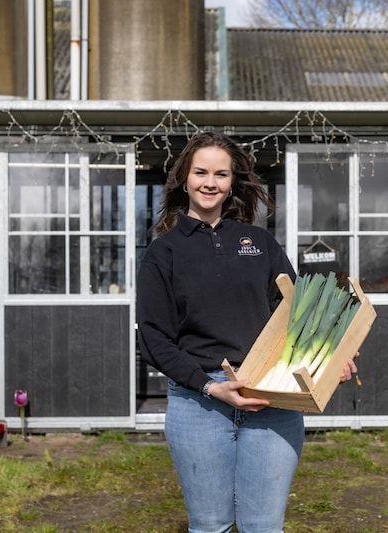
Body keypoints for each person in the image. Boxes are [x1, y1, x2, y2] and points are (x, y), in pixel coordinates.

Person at [136, 131, 358, 533]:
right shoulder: (163, 252)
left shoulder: (259, 242)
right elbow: (154, 340)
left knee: (264, 527)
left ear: (232, 182)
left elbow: (295, 315)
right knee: (210, 526)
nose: (210, 183)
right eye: (201, 172)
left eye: (220, 174)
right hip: (199, 405)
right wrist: (210, 387)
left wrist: (330, 357)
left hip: (270, 397)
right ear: (184, 177)